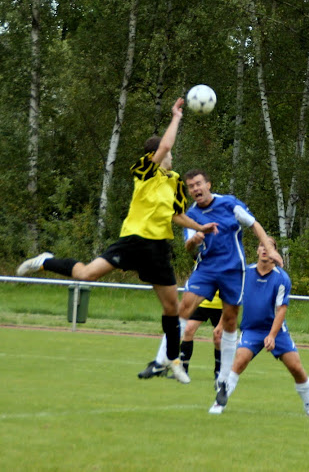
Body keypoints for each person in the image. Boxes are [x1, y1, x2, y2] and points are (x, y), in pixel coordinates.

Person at [16, 98, 217, 384]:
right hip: (133, 240)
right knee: (86, 274)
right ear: (155, 155)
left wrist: (201, 226)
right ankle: (45, 261)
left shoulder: (173, 181)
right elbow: (165, 146)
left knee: (172, 307)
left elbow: (177, 215)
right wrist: (176, 117)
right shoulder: (145, 171)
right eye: (166, 153)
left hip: (158, 248)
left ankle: (172, 361)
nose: (170, 157)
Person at [139, 168, 283, 391]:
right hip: (206, 268)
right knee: (184, 307)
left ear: (208, 185)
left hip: (233, 270)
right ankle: (161, 361)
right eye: (191, 186)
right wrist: (195, 239)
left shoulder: (229, 203)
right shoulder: (191, 215)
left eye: (198, 184)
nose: (195, 188)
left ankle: (223, 378)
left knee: (230, 321)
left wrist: (270, 249)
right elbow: (188, 246)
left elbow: (254, 224)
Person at [208, 238, 309, 417]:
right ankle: (219, 402)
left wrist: (272, 335)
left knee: (296, 368)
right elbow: (232, 300)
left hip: (276, 331)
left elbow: (281, 310)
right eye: (262, 245)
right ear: (257, 250)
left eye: (269, 247)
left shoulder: (282, 278)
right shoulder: (245, 273)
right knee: (239, 361)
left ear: (275, 252)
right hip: (251, 330)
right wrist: (222, 324)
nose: (265, 249)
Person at [138, 292, 222, 380]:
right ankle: (183, 370)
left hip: (221, 306)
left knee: (218, 338)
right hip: (201, 303)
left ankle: (219, 372)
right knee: (188, 330)